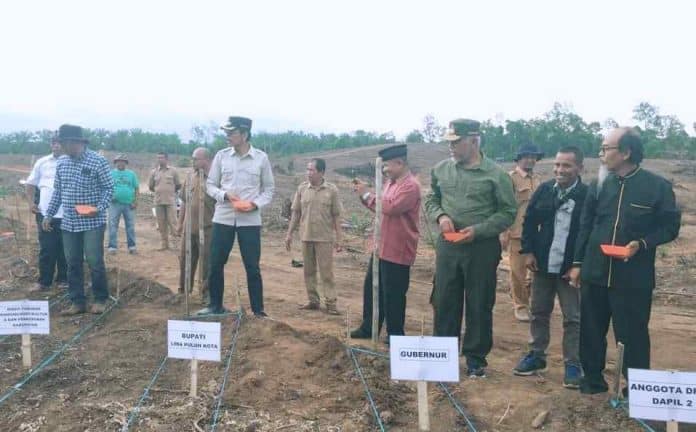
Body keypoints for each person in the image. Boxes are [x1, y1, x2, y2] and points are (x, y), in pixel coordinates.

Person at [569, 128, 681, 395]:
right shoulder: (599, 184)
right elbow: (585, 226)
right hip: (596, 271)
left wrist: (641, 244)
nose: (601, 154)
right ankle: (593, 380)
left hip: (633, 275)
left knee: (633, 334)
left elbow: (670, 228)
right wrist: (577, 264)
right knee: (591, 329)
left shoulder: (657, 187)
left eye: (606, 148)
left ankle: (637, 389)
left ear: (626, 152)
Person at [425, 119, 517, 377]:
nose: (451, 147)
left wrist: (478, 231)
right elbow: (432, 198)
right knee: (444, 300)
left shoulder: (496, 175)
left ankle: (475, 359)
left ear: (474, 141)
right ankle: (442, 356)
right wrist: (441, 216)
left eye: (456, 142)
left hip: (481, 248)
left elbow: (508, 212)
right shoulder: (441, 170)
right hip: (449, 246)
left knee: (479, 302)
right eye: (450, 142)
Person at [512, 146, 588, 389]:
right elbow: (529, 221)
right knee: (539, 312)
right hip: (543, 265)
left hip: (569, 269)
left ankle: (573, 364)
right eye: (557, 165)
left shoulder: (587, 196)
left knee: (573, 318)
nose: (560, 170)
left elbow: (589, 234)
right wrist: (529, 251)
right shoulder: (544, 190)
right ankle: (536, 355)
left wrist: (578, 265)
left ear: (579, 168)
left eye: (566, 165)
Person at [200, 116, 275, 316]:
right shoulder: (222, 156)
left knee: (252, 266)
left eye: (231, 133)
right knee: (215, 263)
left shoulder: (261, 158)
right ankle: (215, 305)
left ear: (244, 134)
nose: (227, 137)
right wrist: (224, 195)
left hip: (249, 221)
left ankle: (258, 311)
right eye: (226, 133)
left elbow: (268, 189)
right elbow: (210, 185)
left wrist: (254, 204)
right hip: (223, 217)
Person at [349, 144, 421, 341]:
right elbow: (381, 209)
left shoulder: (410, 186)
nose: (385, 170)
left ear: (400, 163)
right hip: (381, 247)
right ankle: (368, 328)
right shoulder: (391, 183)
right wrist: (365, 197)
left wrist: (366, 194)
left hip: (397, 249)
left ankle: (395, 335)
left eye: (387, 166)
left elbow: (390, 207)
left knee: (394, 295)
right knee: (372, 290)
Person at [42, 124, 113, 315]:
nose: (60, 148)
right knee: (72, 262)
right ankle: (77, 301)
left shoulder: (98, 161)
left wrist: (98, 208)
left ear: (74, 143)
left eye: (62, 144)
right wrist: (48, 214)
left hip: (92, 222)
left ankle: (100, 298)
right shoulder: (62, 163)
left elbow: (108, 188)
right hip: (69, 222)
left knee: (94, 260)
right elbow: (58, 191)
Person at [285, 158, 343, 315]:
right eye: (307, 169)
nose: (308, 173)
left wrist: (339, 238)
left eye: (312, 170)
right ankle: (313, 301)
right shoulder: (302, 189)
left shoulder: (332, 190)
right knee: (308, 271)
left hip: (324, 238)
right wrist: (289, 233)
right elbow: (296, 213)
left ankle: (331, 303)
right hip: (306, 236)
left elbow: (337, 216)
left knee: (326, 272)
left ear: (321, 172)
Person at [502, 144, 542, 322]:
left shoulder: (537, 180)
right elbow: (504, 206)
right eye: (526, 156)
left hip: (536, 233)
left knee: (534, 271)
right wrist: (504, 231)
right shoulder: (510, 179)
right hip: (517, 232)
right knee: (517, 272)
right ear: (518, 159)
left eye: (533, 157)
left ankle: (531, 303)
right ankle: (520, 306)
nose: (530, 160)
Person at [25, 135, 67, 292]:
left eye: (59, 143)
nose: (56, 146)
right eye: (54, 143)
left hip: (68, 214)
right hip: (45, 214)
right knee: (47, 248)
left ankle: (64, 279)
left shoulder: (72, 162)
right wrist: (31, 203)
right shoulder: (42, 162)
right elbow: (30, 184)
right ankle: (44, 282)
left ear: (64, 145)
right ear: (51, 145)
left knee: (66, 249)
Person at [177, 147, 216, 302]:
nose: (192, 161)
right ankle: (183, 291)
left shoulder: (215, 178)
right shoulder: (190, 176)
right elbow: (184, 201)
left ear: (206, 160)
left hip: (207, 228)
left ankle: (205, 294)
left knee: (206, 262)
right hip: (189, 227)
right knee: (185, 259)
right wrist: (180, 223)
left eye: (195, 158)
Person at [148, 151, 181, 250]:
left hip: (170, 201)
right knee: (161, 224)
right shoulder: (153, 172)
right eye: (158, 158)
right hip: (158, 202)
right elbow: (151, 186)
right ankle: (164, 244)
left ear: (167, 159)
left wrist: (169, 192)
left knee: (173, 223)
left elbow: (178, 185)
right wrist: (159, 191)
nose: (160, 160)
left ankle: (175, 244)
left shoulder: (173, 171)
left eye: (162, 158)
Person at [108, 154, 139, 254]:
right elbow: (106, 187)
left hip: (129, 204)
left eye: (123, 161)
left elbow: (136, 188)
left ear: (126, 163)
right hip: (114, 204)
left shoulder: (131, 174)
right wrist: (110, 196)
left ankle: (132, 246)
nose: (120, 163)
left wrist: (135, 201)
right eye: (118, 161)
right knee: (112, 225)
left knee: (130, 225)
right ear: (115, 163)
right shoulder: (110, 174)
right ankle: (112, 247)